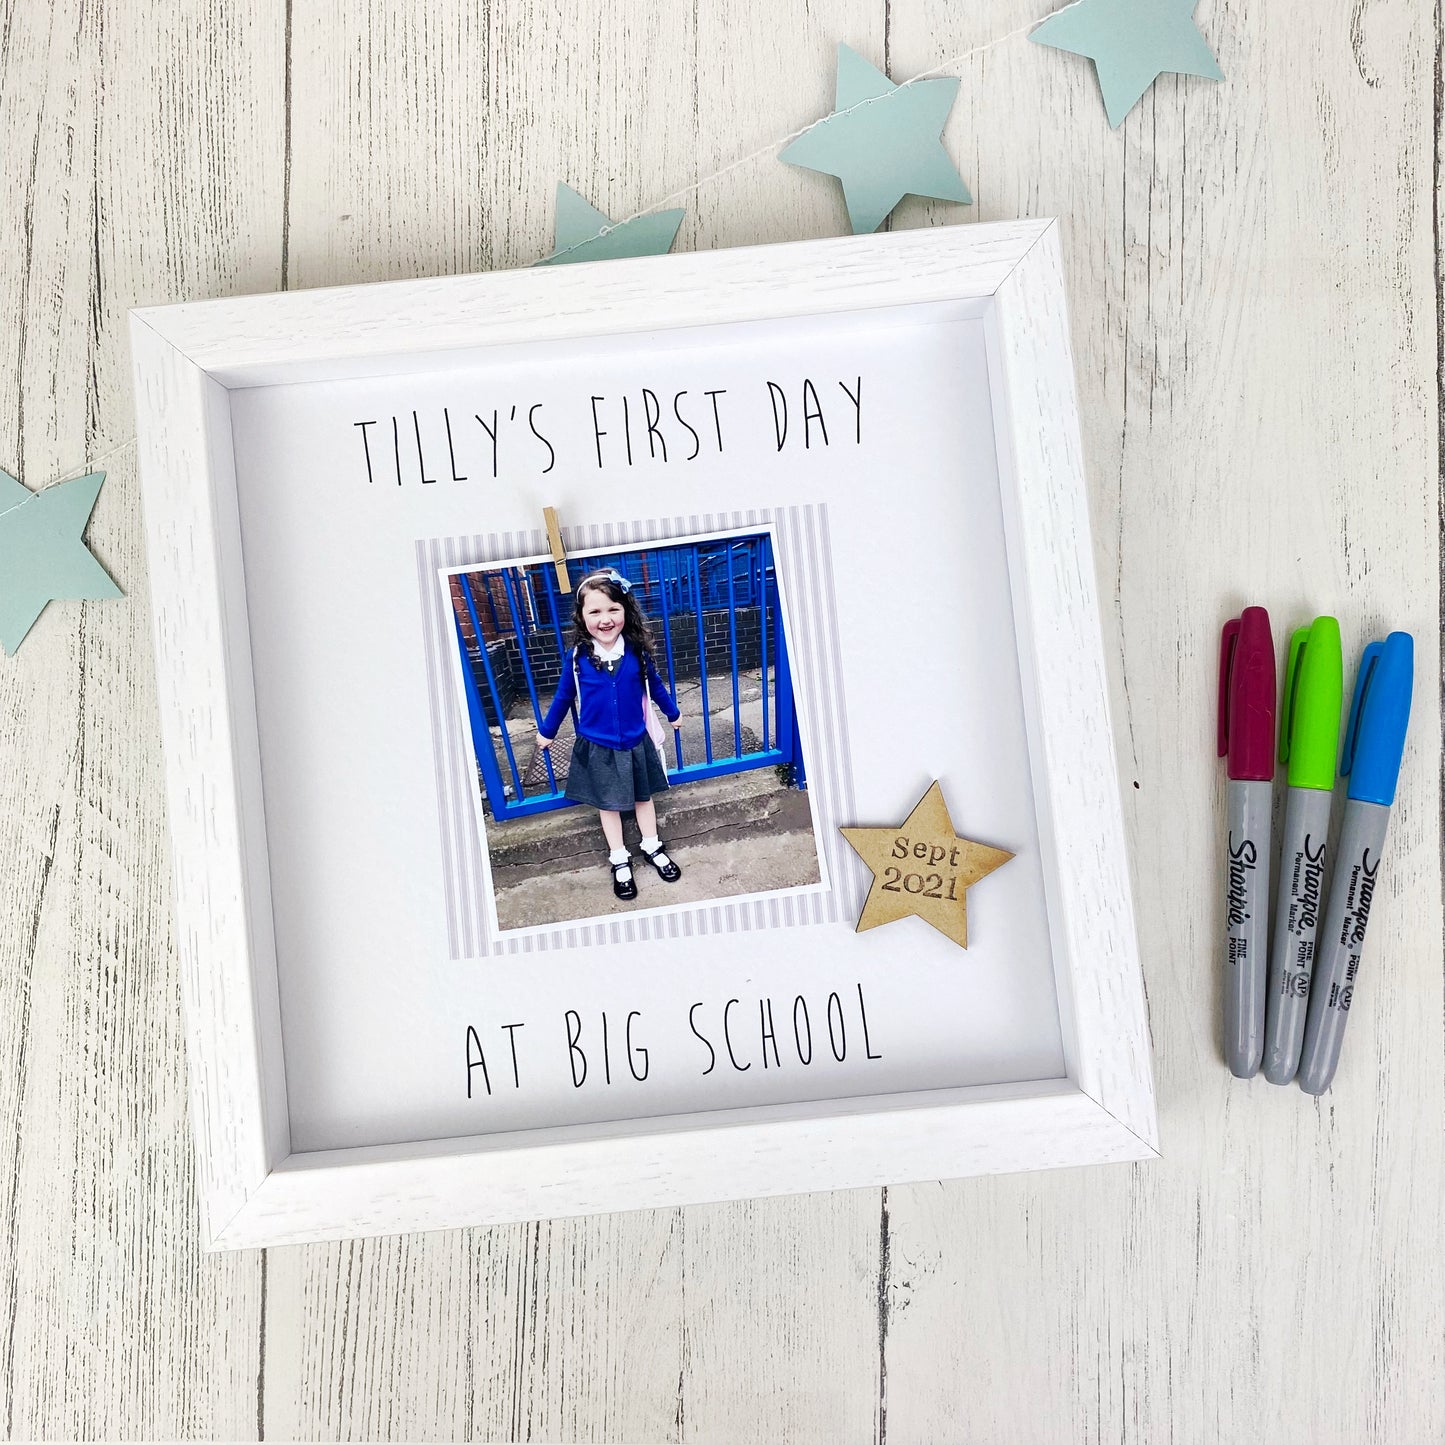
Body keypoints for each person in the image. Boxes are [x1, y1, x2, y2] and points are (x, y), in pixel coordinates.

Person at [536, 567, 685, 900]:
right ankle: (619, 858)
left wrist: (673, 713)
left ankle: (652, 846)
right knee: (609, 805)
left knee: (643, 798)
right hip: (599, 746)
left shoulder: (635, 652)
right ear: (582, 616)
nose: (605, 618)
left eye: (613, 609)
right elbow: (563, 697)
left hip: (635, 742)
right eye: (595, 611)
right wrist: (547, 731)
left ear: (625, 611)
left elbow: (655, 687)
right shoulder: (577, 658)